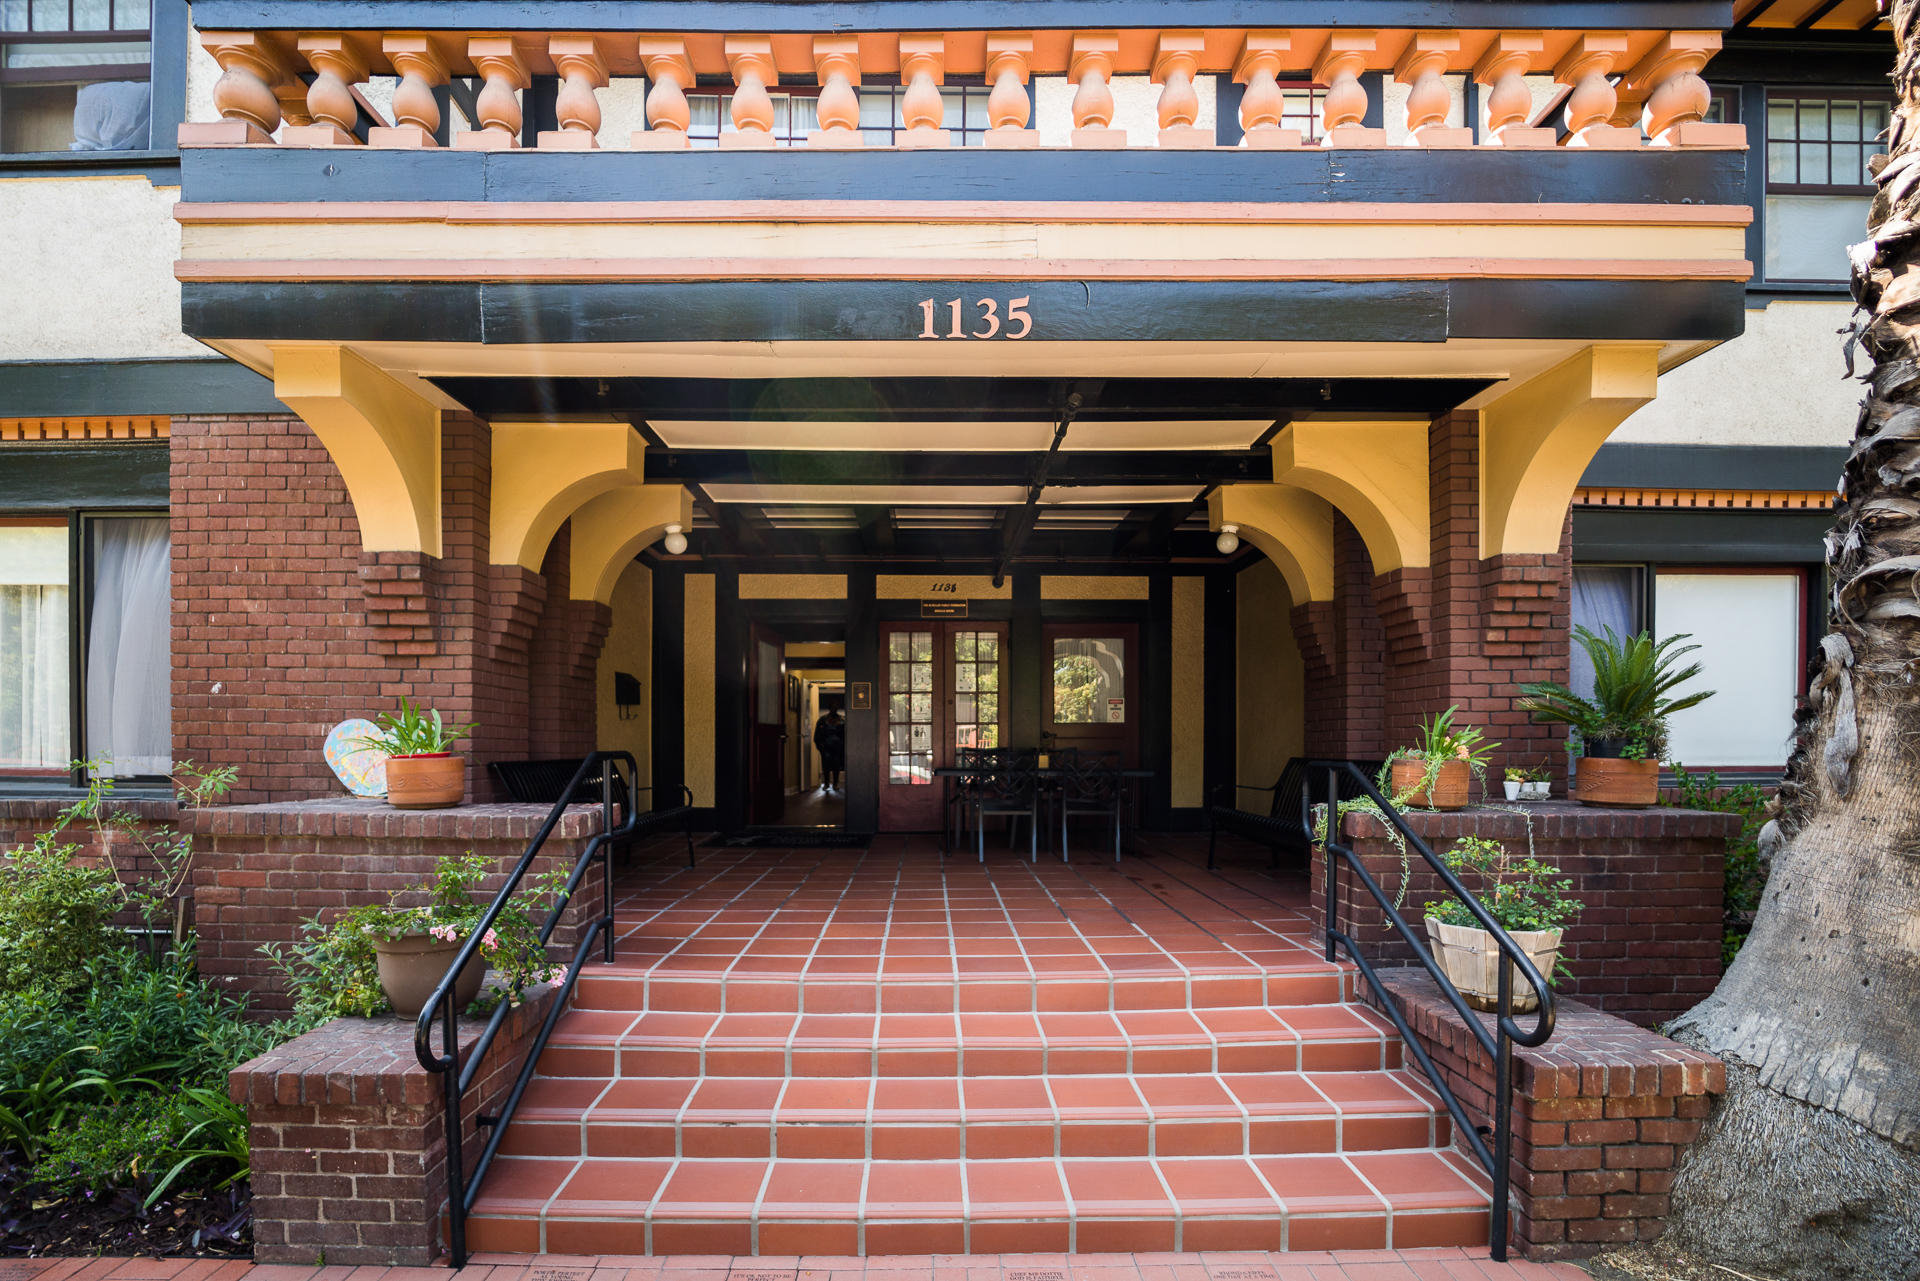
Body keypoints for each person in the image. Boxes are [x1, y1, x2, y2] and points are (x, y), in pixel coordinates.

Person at [813, 707, 846, 791]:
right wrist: (819, 746)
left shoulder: (842, 719)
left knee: (836, 765)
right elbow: (817, 734)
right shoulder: (823, 719)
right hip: (826, 746)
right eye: (832, 707)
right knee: (826, 765)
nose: (834, 710)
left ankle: (835, 783)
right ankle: (826, 783)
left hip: (838, 747)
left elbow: (845, 733)